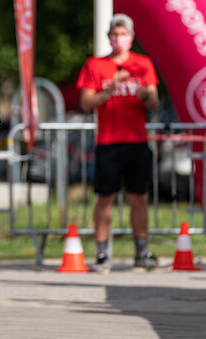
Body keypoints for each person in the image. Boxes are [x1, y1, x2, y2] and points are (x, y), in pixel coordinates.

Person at [76, 13, 159, 273]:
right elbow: (86, 103)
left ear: (131, 37)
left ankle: (142, 253)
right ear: (108, 37)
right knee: (104, 198)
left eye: (123, 34)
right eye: (114, 34)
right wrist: (110, 89)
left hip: (136, 140)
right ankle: (102, 254)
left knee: (140, 197)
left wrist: (144, 93)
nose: (118, 39)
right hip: (108, 142)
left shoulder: (142, 64)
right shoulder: (95, 64)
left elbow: (154, 102)